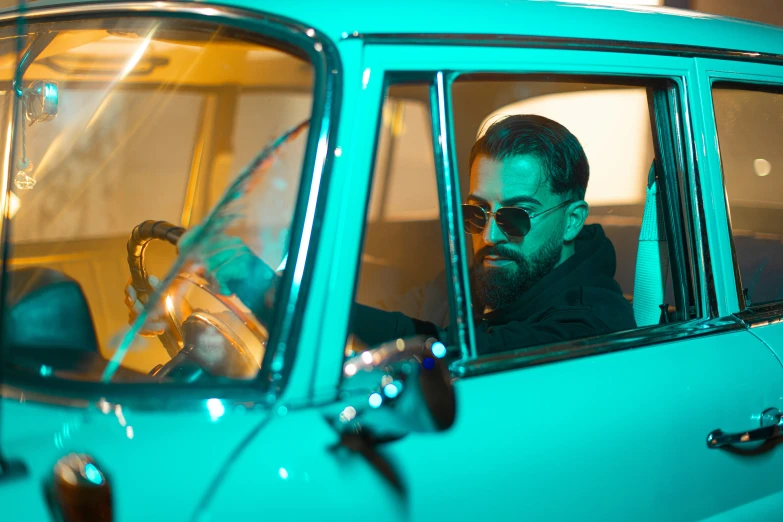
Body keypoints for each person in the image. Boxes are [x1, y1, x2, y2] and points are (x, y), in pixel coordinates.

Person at [126, 115, 636, 356]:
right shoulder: (483, 277)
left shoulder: (592, 323)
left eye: (517, 216)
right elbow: (379, 313)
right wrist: (217, 310)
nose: (492, 235)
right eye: (478, 213)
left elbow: (452, 346)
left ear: (571, 220)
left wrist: (268, 291)